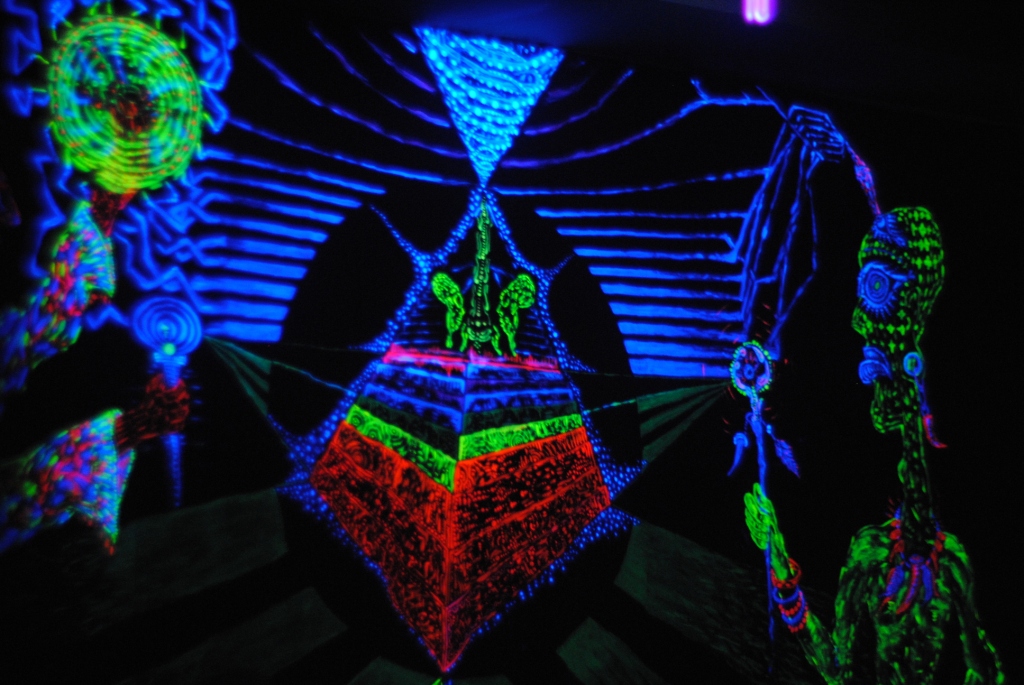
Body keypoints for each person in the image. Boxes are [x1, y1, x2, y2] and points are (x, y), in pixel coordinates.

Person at [743, 208, 1003, 684]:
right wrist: (779, 563)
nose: (859, 320)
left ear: (915, 306)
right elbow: (834, 666)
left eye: (877, 287)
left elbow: (983, 666)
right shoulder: (871, 555)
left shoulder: (952, 564)